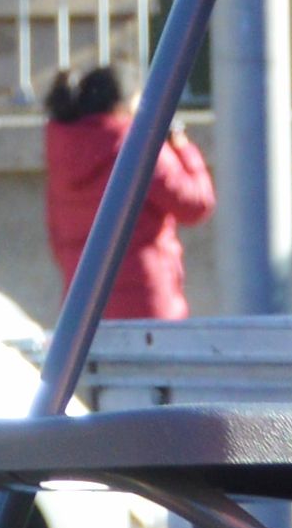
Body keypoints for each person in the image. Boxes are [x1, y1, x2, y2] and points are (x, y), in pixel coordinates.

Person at [44, 62, 219, 328]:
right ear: (124, 105)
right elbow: (196, 204)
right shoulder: (136, 146)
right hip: (148, 306)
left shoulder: (62, 149)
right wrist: (183, 148)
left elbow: (57, 233)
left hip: (81, 312)